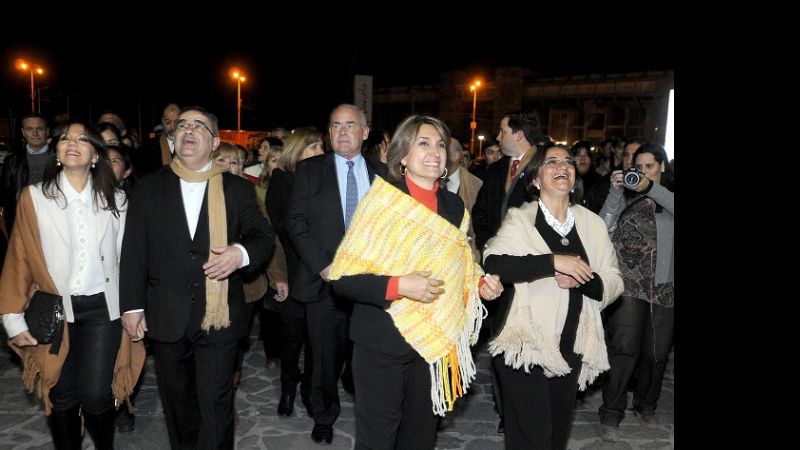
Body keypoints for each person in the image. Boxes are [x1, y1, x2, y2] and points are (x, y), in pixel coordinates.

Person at [328, 114, 503, 449]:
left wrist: (481, 286)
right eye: (423, 143)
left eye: (441, 144)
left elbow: (460, 268)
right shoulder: (382, 202)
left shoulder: (454, 206)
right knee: (378, 440)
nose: (435, 151)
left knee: (419, 438)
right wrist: (398, 286)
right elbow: (343, 279)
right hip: (381, 341)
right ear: (403, 156)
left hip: (432, 343)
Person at [119, 106, 273, 450]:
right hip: (166, 312)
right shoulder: (148, 187)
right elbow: (133, 251)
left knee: (216, 401)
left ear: (215, 142)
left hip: (218, 316)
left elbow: (262, 237)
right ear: (173, 140)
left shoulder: (236, 188)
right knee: (177, 401)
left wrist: (239, 252)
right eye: (183, 125)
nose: (188, 129)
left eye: (199, 125)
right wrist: (131, 306)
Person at [0, 119, 145, 450]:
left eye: (82, 139)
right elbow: (20, 256)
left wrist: (135, 306)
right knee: (61, 392)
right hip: (54, 309)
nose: (72, 142)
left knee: (95, 394)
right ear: (57, 151)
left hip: (101, 308)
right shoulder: (34, 197)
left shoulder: (117, 199)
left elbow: (130, 262)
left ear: (96, 154)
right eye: (65, 138)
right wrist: (11, 316)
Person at [481, 144, 623, 449]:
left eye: (568, 162)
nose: (563, 167)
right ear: (535, 179)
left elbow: (612, 281)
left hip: (571, 344)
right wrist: (553, 261)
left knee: (556, 437)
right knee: (534, 435)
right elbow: (495, 261)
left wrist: (581, 280)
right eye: (552, 162)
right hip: (524, 344)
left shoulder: (592, 224)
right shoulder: (522, 219)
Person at [285, 104, 386, 444]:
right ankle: (324, 415)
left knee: (365, 351)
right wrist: (322, 266)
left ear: (365, 131)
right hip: (324, 280)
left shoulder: (382, 173)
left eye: (350, 125)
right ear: (329, 134)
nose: (343, 132)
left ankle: (367, 405)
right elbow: (295, 222)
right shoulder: (309, 170)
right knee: (323, 355)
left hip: (370, 283)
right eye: (336, 126)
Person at [597, 143, 674, 442]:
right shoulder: (625, 195)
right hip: (628, 284)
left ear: (662, 167)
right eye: (638, 167)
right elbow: (602, 225)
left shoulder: (665, 196)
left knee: (656, 352)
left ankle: (647, 405)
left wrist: (651, 187)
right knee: (624, 348)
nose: (642, 173)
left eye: (649, 167)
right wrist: (616, 192)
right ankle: (611, 413)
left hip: (665, 286)